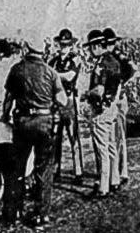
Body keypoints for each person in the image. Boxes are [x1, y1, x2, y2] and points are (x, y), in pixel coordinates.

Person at [3, 33, 67, 227]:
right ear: (43, 52)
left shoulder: (16, 70)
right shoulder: (50, 72)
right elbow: (62, 100)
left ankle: (14, 213)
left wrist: (4, 118)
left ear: (26, 50)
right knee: (44, 168)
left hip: (22, 122)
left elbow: (8, 100)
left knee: (18, 168)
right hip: (43, 122)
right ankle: (41, 215)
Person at [82, 29, 121, 198]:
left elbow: (99, 90)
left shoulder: (101, 64)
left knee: (101, 150)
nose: (90, 52)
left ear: (97, 46)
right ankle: (114, 179)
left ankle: (103, 187)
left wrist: (86, 94)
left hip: (101, 109)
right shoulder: (114, 61)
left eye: (91, 47)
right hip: (112, 107)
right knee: (111, 145)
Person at [48, 29, 84, 185]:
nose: (64, 47)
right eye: (62, 45)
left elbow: (70, 76)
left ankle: (78, 171)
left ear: (71, 45)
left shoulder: (75, 60)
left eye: (67, 45)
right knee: (56, 139)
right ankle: (56, 170)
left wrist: (55, 74)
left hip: (69, 100)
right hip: (56, 102)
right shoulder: (53, 61)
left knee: (73, 137)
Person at [102, 27, 136, 188]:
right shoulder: (111, 56)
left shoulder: (116, 56)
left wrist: (121, 82)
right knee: (115, 136)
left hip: (118, 99)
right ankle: (118, 171)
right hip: (116, 97)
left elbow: (133, 69)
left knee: (118, 136)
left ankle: (122, 171)